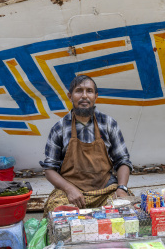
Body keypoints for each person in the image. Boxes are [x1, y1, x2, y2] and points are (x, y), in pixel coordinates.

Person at [40, 75, 133, 215]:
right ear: (70, 96)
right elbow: (49, 169)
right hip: (72, 193)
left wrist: (122, 188)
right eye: (79, 91)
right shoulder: (59, 128)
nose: (84, 96)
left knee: (128, 210)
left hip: (105, 190)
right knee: (57, 212)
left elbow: (123, 161)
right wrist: (69, 189)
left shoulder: (108, 124)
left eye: (89, 91)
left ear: (96, 96)